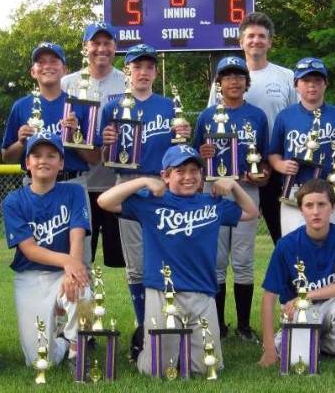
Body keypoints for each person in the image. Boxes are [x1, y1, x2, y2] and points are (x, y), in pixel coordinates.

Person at [97, 145, 259, 376]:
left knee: (207, 368)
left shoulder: (211, 204)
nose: (188, 177)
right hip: (163, 292)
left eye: (194, 170)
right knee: (159, 370)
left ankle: (182, 348)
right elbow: (104, 201)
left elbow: (251, 212)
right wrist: (143, 181)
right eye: (179, 171)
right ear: (165, 175)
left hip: (202, 292)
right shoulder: (151, 202)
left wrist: (234, 186)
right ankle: (141, 343)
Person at [99, 44, 191, 334]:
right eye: (137, 66)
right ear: (127, 71)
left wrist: (186, 135)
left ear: (155, 71)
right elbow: (104, 157)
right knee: (136, 262)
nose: (143, 72)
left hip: (164, 184)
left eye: (149, 67)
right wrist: (107, 141)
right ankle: (142, 324)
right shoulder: (113, 107)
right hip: (127, 183)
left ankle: (173, 317)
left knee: (170, 252)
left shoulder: (168, 105)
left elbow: (183, 150)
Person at [2, 42, 99, 267]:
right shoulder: (22, 106)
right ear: (33, 71)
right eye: (41, 62)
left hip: (73, 183)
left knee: (80, 259)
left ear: (64, 69)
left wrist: (76, 136)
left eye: (54, 61)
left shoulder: (80, 105)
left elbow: (94, 158)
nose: (47, 66)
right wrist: (20, 142)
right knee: (39, 255)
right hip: (34, 188)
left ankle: (82, 301)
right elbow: (7, 156)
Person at [194, 56, 269, 342]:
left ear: (246, 82)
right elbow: (196, 160)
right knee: (215, 259)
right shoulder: (207, 116)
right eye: (227, 76)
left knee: (243, 259)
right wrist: (204, 155)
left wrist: (260, 174)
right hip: (212, 191)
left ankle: (244, 325)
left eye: (239, 76)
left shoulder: (257, 116)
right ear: (219, 83)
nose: (234, 81)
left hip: (245, 190)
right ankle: (219, 323)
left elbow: (263, 160)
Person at [2, 131, 92, 367]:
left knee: (84, 294)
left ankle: (77, 351)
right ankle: (61, 342)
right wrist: (69, 262)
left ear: (61, 163)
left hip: (63, 271)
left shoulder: (74, 192)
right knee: (39, 361)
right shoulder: (14, 200)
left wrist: (72, 271)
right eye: (37, 155)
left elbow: (77, 235)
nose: (44, 160)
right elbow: (30, 250)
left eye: (52, 155)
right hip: (30, 275)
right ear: (27, 163)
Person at [208, 12, 298, 245]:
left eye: (261, 36)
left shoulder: (286, 76)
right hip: (231, 169)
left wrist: (273, 164)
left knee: (284, 236)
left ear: (269, 42)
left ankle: (291, 280)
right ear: (241, 41)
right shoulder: (222, 80)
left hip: (276, 167)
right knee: (228, 240)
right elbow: (212, 125)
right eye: (250, 36)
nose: (256, 40)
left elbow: (295, 120)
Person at [258, 178, 335, 367]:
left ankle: (327, 347)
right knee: (293, 358)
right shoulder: (286, 245)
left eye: (321, 204)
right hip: (301, 311)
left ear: (332, 207)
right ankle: (300, 341)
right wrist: (268, 348)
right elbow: (269, 297)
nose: (315, 211)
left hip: (331, 306)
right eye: (309, 205)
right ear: (301, 209)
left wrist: (306, 295)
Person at [61, 23, 126, 268]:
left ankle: (143, 306)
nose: (101, 48)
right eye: (95, 43)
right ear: (85, 47)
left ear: (115, 47)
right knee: (78, 259)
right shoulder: (67, 83)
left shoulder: (127, 82)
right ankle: (83, 307)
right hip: (78, 184)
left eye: (107, 43)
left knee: (127, 261)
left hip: (116, 182)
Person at [268, 57, 335, 236]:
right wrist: (281, 165)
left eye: (317, 81)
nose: (312, 86)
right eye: (306, 81)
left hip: (329, 189)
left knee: (328, 243)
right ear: (296, 85)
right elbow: (273, 153)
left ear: (326, 84)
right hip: (294, 188)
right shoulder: (285, 116)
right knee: (293, 242)